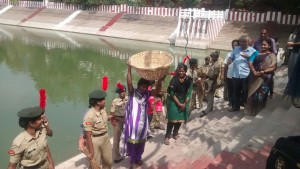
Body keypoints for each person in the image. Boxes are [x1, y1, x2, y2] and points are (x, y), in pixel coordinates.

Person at [122, 65, 163, 169]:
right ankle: (132, 160)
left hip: (143, 124)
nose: (144, 88)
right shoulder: (132, 93)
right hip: (133, 124)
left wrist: (159, 79)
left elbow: (157, 90)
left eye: (146, 87)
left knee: (141, 143)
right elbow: (129, 83)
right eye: (142, 86)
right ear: (139, 85)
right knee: (132, 143)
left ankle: (138, 158)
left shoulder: (147, 94)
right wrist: (129, 69)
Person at [245, 38, 277, 116]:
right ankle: (250, 111)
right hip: (254, 76)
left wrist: (263, 71)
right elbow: (250, 62)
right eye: (262, 44)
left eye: (265, 45)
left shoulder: (271, 55)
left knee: (261, 95)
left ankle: (259, 112)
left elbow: (273, 67)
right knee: (252, 94)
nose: (262, 46)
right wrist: (254, 71)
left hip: (264, 78)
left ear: (269, 46)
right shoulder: (256, 53)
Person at [82, 89, 112, 169]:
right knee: (95, 164)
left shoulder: (103, 110)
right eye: (103, 100)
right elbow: (88, 135)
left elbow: (104, 119)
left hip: (105, 137)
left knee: (108, 161)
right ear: (98, 102)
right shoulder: (89, 116)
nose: (105, 101)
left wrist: (112, 117)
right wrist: (91, 152)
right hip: (95, 140)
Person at [164, 63, 192, 145]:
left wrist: (185, 103)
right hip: (174, 100)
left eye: (183, 71)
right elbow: (171, 93)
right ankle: (167, 136)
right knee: (172, 120)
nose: (181, 73)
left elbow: (189, 92)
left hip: (184, 100)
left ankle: (175, 133)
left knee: (180, 119)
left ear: (185, 71)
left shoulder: (188, 80)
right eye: (180, 71)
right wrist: (179, 104)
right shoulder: (174, 80)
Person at [228, 35, 257, 112]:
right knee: (236, 91)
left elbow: (257, 62)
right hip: (235, 74)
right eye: (240, 41)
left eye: (243, 41)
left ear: (248, 42)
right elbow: (231, 57)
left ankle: (246, 106)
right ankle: (235, 107)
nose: (241, 43)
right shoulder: (236, 50)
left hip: (246, 75)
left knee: (245, 92)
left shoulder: (253, 51)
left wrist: (248, 57)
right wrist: (230, 60)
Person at [110, 83, 128, 163]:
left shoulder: (129, 99)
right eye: (119, 92)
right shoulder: (115, 101)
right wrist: (112, 122)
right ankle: (116, 157)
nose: (121, 93)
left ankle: (128, 151)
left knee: (128, 136)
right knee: (116, 139)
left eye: (122, 92)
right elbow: (111, 113)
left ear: (125, 91)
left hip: (127, 120)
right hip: (118, 120)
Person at [200, 51, 221, 117]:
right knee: (210, 96)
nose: (211, 59)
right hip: (210, 81)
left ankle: (208, 110)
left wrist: (212, 85)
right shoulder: (213, 63)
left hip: (212, 82)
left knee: (210, 96)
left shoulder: (216, 65)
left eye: (212, 57)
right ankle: (210, 108)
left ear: (216, 57)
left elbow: (215, 76)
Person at [284, 25, 300, 108]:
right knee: (292, 75)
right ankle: (294, 96)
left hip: (297, 55)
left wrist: (293, 43)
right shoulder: (294, 35)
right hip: (294, 54)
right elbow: (288, 44)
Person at [224, 39, 239, 106]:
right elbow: (225, 65)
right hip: (229, 75)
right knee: (230, 89)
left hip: (237, 75)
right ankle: (231, 102)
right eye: (233, 45)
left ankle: (236, 103)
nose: (234, 46)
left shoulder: (241, 54)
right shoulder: (229, 54)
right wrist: (224, 75)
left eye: (236, 45)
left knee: (236, 90)